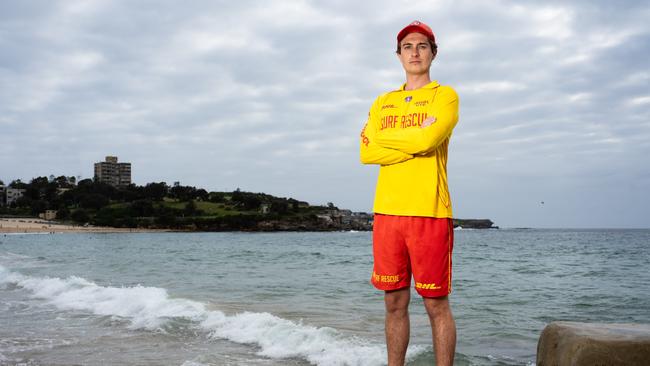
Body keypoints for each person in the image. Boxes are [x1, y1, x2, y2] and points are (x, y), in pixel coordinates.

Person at [359, 20, 459, 366]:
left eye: (422, 46)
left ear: (434, 52)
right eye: (407, 47)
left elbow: (428, 140)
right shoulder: (383, 101)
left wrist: (399, 140)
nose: (414, 52)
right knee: (393, 303)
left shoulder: (444, 96)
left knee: (435, 305)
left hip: (430, 212)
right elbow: (366, 151)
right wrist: (414, 141)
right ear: (398, 55)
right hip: (388, 212)